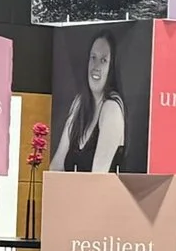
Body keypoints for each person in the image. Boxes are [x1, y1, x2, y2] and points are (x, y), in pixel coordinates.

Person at [53, 30, 128, 174]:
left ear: (111, 68)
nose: (96, 67)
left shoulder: (111, 108)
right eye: (93, 58)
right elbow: (56, 166)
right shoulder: (79, 103)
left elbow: (98, 176)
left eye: (103, 60)